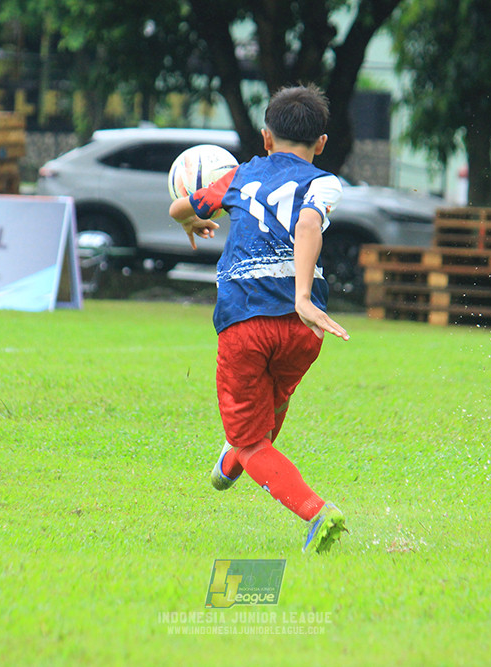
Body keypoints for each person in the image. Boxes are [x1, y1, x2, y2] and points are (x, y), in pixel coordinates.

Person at [168, 84, 349, 554]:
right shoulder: (325, 183)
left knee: (252, 440)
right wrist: (304, 300)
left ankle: (315, 510)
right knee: (273, 401)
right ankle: (233, 460)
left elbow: (177, 208)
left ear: (265, 137)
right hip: (302, 330)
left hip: (245, 319)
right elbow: (309, 222)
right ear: (322, 144)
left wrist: (191, 221)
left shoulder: (239, 177)